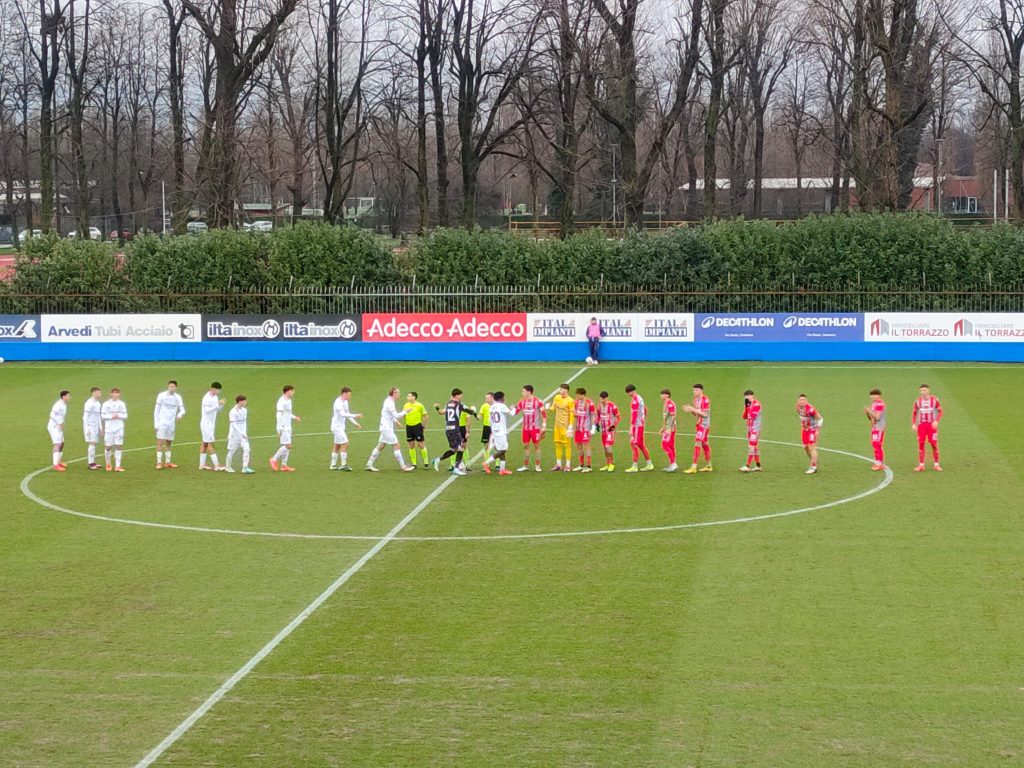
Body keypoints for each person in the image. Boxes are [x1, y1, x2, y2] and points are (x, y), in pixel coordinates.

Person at [367, 387, 413, 472]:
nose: (399, 395)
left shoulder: (389, 401)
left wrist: (396, 422)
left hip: (386, 427)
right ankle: (403, 467)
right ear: (394, 393)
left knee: (381, 445)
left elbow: (389, 415)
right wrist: (406, 411)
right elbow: (395, 415)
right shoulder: (390, 403)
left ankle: (369, 464)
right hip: (386, 428)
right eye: (398, 393)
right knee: (396, 445)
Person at [433, 388, 476, 475]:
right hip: (454, 429)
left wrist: (437, 408)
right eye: (461, 395)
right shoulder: (459, 405)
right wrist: (474, 409)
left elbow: (441, 412)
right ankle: (456, 468)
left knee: (454, 449)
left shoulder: (448, 404)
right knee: (461, 448)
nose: (462, 396)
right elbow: (471, 412)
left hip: (448, 429)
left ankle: (437, 460)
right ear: (456, 395)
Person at [513, 385, 547, 472]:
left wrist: (544, 426)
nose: (522, 393)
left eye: (524, 391)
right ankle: (525, 465)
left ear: (529, 392)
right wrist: (512, 409)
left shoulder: (538, 401)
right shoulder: (521, 402)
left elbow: (544, 414)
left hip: (535, 429)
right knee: (526, 446)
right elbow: (515, 412)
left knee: (537, 446)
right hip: (525, 429)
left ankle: (538, 465)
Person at [153, 380, 185, 469]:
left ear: (176, 388)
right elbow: (156, 410)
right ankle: (159, 462)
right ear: (168, 387)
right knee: (160, 442)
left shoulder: (178, 397)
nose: (171, 388)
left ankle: (168, 462)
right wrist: (156, 424)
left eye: (173, 387)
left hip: (171, 423)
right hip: (162, 422)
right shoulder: (161, 396)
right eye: (170, 387)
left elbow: (182, 410)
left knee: (169, 442)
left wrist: (179, 414)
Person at [682, 384, 712, 474]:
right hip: (699, 424)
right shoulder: (695, 400)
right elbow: (697, 414)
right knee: (705, 444)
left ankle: (693, 467)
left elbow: (705, 414)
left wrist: (693, 409)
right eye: (693, 390)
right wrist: (691, 411)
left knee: (697, 443)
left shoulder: (705, 400)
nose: (694, 392)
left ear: (701, 391)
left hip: (704, 425)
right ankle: (709, 466)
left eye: (696, 390)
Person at [912, 384, 943, 472]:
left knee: (933, 444)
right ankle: (921, 465)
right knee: (921, 444)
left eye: (925, 390)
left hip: (931, 426)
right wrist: (914, 424)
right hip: (921, 426)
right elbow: (914, 413)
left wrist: (936, 421)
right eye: (921, 390)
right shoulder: (917, 401)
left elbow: (940, 411)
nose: (923, 392)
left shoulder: (934, 400)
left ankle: (936, 464)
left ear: (928, 391)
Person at [270, 385, 302, 472]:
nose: (293, 393)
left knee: (287, 445)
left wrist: (295, 417)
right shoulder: (281, 401)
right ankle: (274, 459)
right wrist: (279, 428)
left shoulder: (289, 401)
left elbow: (287, 413)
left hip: (288, 426)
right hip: (283, 426)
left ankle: (284, 465)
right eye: (292, 391)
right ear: (287, 391)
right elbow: (279, 415)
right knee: (288, 445)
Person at [330, 386, 362, 471]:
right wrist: (355, 415)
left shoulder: (345, 402)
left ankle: (333, 465)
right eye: (349, 394)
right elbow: (342, 414)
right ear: (344, 393)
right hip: (336, 427)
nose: (350, 396)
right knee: (345, 443)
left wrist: (355, 423)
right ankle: (344, 465)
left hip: (340, 427)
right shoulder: (338, 402)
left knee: (337, 445)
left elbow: (347, 414)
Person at [624, 384, 654, 472]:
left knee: (634, 444)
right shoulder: (640, 398)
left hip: (637, 426)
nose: (628, 394)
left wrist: (631, 427)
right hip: (640, 424)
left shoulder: (635, 400)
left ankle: (635, 466)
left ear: (632, 391)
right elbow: (645, 409)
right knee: (641, 445)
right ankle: (649, 464)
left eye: (629, 392)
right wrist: (643, 419)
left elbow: (634, 415)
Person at [483, 391, 514, 476]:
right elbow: (512, 414)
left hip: (495, 431)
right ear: (501, 398)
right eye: (504, 397)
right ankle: (486, 463)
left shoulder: (491, 407)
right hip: (501, 431)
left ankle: (502, 469)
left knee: (501, 450)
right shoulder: (502, 406)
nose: (505, 398)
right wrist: (513, 408)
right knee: (503, 449)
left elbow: (490, 420)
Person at [199, 381, 226, 471]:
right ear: (213, 389)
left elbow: (217, 410)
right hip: (206, 423)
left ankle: (202, 465)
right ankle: (217, 465)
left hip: (211, 423)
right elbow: (207, 410)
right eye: (217, 390)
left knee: (205, 443)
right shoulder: (206, 398)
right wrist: (218, 404)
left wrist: (221, 405)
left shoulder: (215, 397)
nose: (218, 392)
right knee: (211, 444)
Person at [225, 395, 255, 474]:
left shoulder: (244, 410)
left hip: (243, 435)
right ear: (240, 401)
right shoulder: (233, 411)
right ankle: (227, 467)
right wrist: (241, 433)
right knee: (232, 450)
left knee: (247, 449)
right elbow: (233, 425)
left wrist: (244, 432)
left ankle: (245, 467)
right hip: (234, 434)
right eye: (244, 401)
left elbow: (244, 422)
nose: (246, 402)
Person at [101, 388, 128, 472]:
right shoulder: (106, 404)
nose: (116, 395)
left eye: (118, 393)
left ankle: (118, 466)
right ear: (111, 394)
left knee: (118, 446)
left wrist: (118, 416)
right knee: (108, 447)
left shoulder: (122, 404)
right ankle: (108, 463)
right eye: (114, 393)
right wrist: (111, 416)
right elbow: (103, 416)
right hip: (109, 428)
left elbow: (125, 415)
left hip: (119, 427)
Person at [550, 383, 575, 471]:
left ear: (566, 390)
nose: (560, 391)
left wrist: (571, 426)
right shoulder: (557, 398)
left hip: (565, 426)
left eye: (562, 389)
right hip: (557, 425)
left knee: (567, 445)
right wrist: (549, 407)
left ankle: (568, 465)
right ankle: (558, 464)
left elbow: (572, 414)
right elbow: (553, 408)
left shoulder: (570, 401)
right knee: (558, 444)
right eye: (560, 389)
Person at [796, 393, 823, 474]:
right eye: (801, 400)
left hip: (812, 429)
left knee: (812, 447)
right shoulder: (797, 407)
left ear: (806, 401)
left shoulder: (810, 409)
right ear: (798, 401)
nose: (802, 401)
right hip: (804, 430)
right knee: (805, 447)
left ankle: (813, 466)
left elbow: (820, 419)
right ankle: (814, 460)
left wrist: (817, 430)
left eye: (804, 400)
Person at [572, 387, 597, 472]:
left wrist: (593, 427)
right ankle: (581, 465)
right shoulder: (576, 402)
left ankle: (589, 466)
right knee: (578, 445)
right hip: (578, 428)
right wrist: (575, 414)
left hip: (586, 428)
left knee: (586, 445)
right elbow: (574, 413)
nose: (577, 396)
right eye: (577, 395)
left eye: (579, 395)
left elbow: (594, 416)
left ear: (583, 394)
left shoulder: (590, 403)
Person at [403, 391, 429, 469]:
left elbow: (426, 416)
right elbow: (404, 414)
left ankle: (426, 462)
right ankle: (414, 463)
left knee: (421, 444)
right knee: (411, 445)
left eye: (409, 396)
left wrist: (423, 426)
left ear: (414, 397)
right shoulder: (406, 405)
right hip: (409, 427)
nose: (407, 397)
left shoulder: (419, 405)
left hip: (417, 427)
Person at [597, 391, 621, 472]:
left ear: (607, 398)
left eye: (603, 398)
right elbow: (598, 416)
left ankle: (612, 464)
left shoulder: (612, 406)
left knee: (608, 447)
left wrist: (613, 426)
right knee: (605, 448)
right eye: (600, 398)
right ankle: (607, 464)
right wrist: (597, 423)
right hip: (603, 431)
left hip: (610, 431)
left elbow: (618, 417)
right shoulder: (599, 406)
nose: (602, 400)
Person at [739, 389, 762, 472]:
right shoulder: (748, 404)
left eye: (748, 396)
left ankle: (747, 465)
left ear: (752, 395)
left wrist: (749, 408)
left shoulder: (757, 405)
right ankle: (758, 466)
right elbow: (744, 416)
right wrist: (746, 407)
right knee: (754, 447)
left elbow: (752, 416)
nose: (747, 398)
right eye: (746, 397)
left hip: (755, 429)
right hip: (750, 428)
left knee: (751, 446)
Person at [864, 388, 887, 471]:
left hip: (880, 426)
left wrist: (869, 411)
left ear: (879, 395)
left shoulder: (880, 404)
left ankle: (880, 463)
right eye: (872, 395)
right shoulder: (874, 403)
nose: (873, 397)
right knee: (874, 444)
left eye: (875, 395)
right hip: (874, 426)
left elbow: (877, 417)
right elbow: (871, 418)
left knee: (877, 444)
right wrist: (867, 413)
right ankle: (878, 462)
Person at [48, 390, 70, 471]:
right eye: (68, 396)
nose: (69, 397)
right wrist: (60, 423)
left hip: (58, 427)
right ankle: (55, 465)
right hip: (54, 426)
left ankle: (58, 461)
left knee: (62, 443)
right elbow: (52, 414)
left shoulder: (64, 404)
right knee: (57, 444)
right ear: (63, 396)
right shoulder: (58, 405)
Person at [83, 387, 103, 470]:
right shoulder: (89, 403)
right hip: (90, 426)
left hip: (95, 426)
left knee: (94, 444)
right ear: (94, 393)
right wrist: (87, 429)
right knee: (92, 443)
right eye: (99, 392)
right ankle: (91, 464)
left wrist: (100, 428)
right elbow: (85, 417)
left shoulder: (98, 404)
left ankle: (93, 462)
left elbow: (98, 417)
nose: (100, 394)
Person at [659, 388, 678, 472]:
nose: (661, 395)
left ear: (667, 395)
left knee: (665, 445)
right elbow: (666, 418)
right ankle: (672, 463)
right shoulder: (666, 403)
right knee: (670, 445)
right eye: (661, 394)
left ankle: (673, 464)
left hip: (670, 428)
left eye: (663, 394)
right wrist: (663, 427)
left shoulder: (670, 403)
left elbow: (673, 416)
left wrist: (669, 428)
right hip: (667, 427)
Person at [478, 392, 494, 468]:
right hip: (486, 427)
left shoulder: (496, 406)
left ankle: (497, 464)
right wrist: (474, 413)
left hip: (495, 428)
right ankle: (487, 464)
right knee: (486, 446)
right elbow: (479, 417)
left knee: (496, 446)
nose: (486, 399)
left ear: (492, 398)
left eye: (487, 398)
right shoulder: (484, 406)